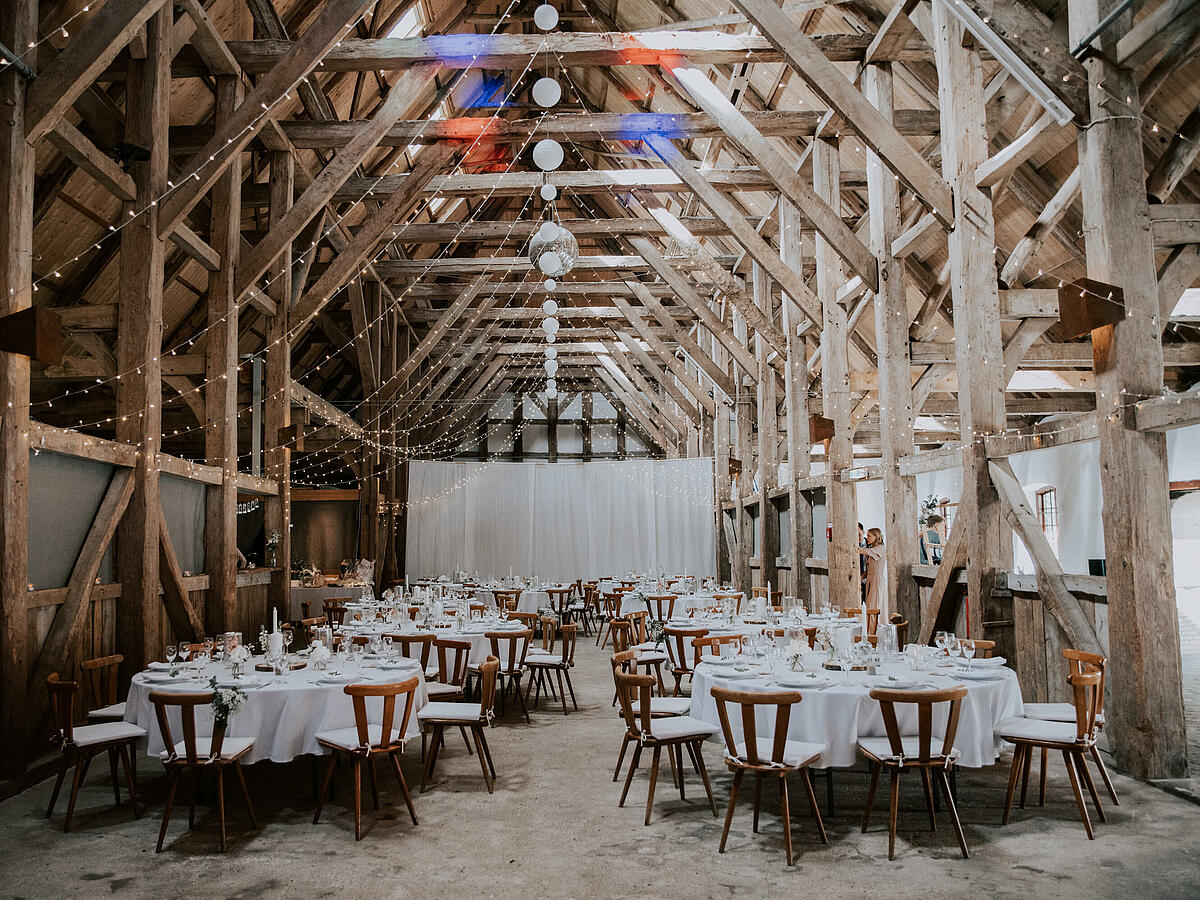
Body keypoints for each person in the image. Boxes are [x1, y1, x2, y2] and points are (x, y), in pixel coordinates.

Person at [858, 528, 886, 606]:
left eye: (869, 536)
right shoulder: (872, 549)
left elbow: (861, 551)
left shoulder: (880, 548)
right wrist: (860, 578)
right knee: (869, 605)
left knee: (874, 605)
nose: (867, 538)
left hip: (877, 580)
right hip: (870, 579)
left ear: (876, 537)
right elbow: (869, 570)